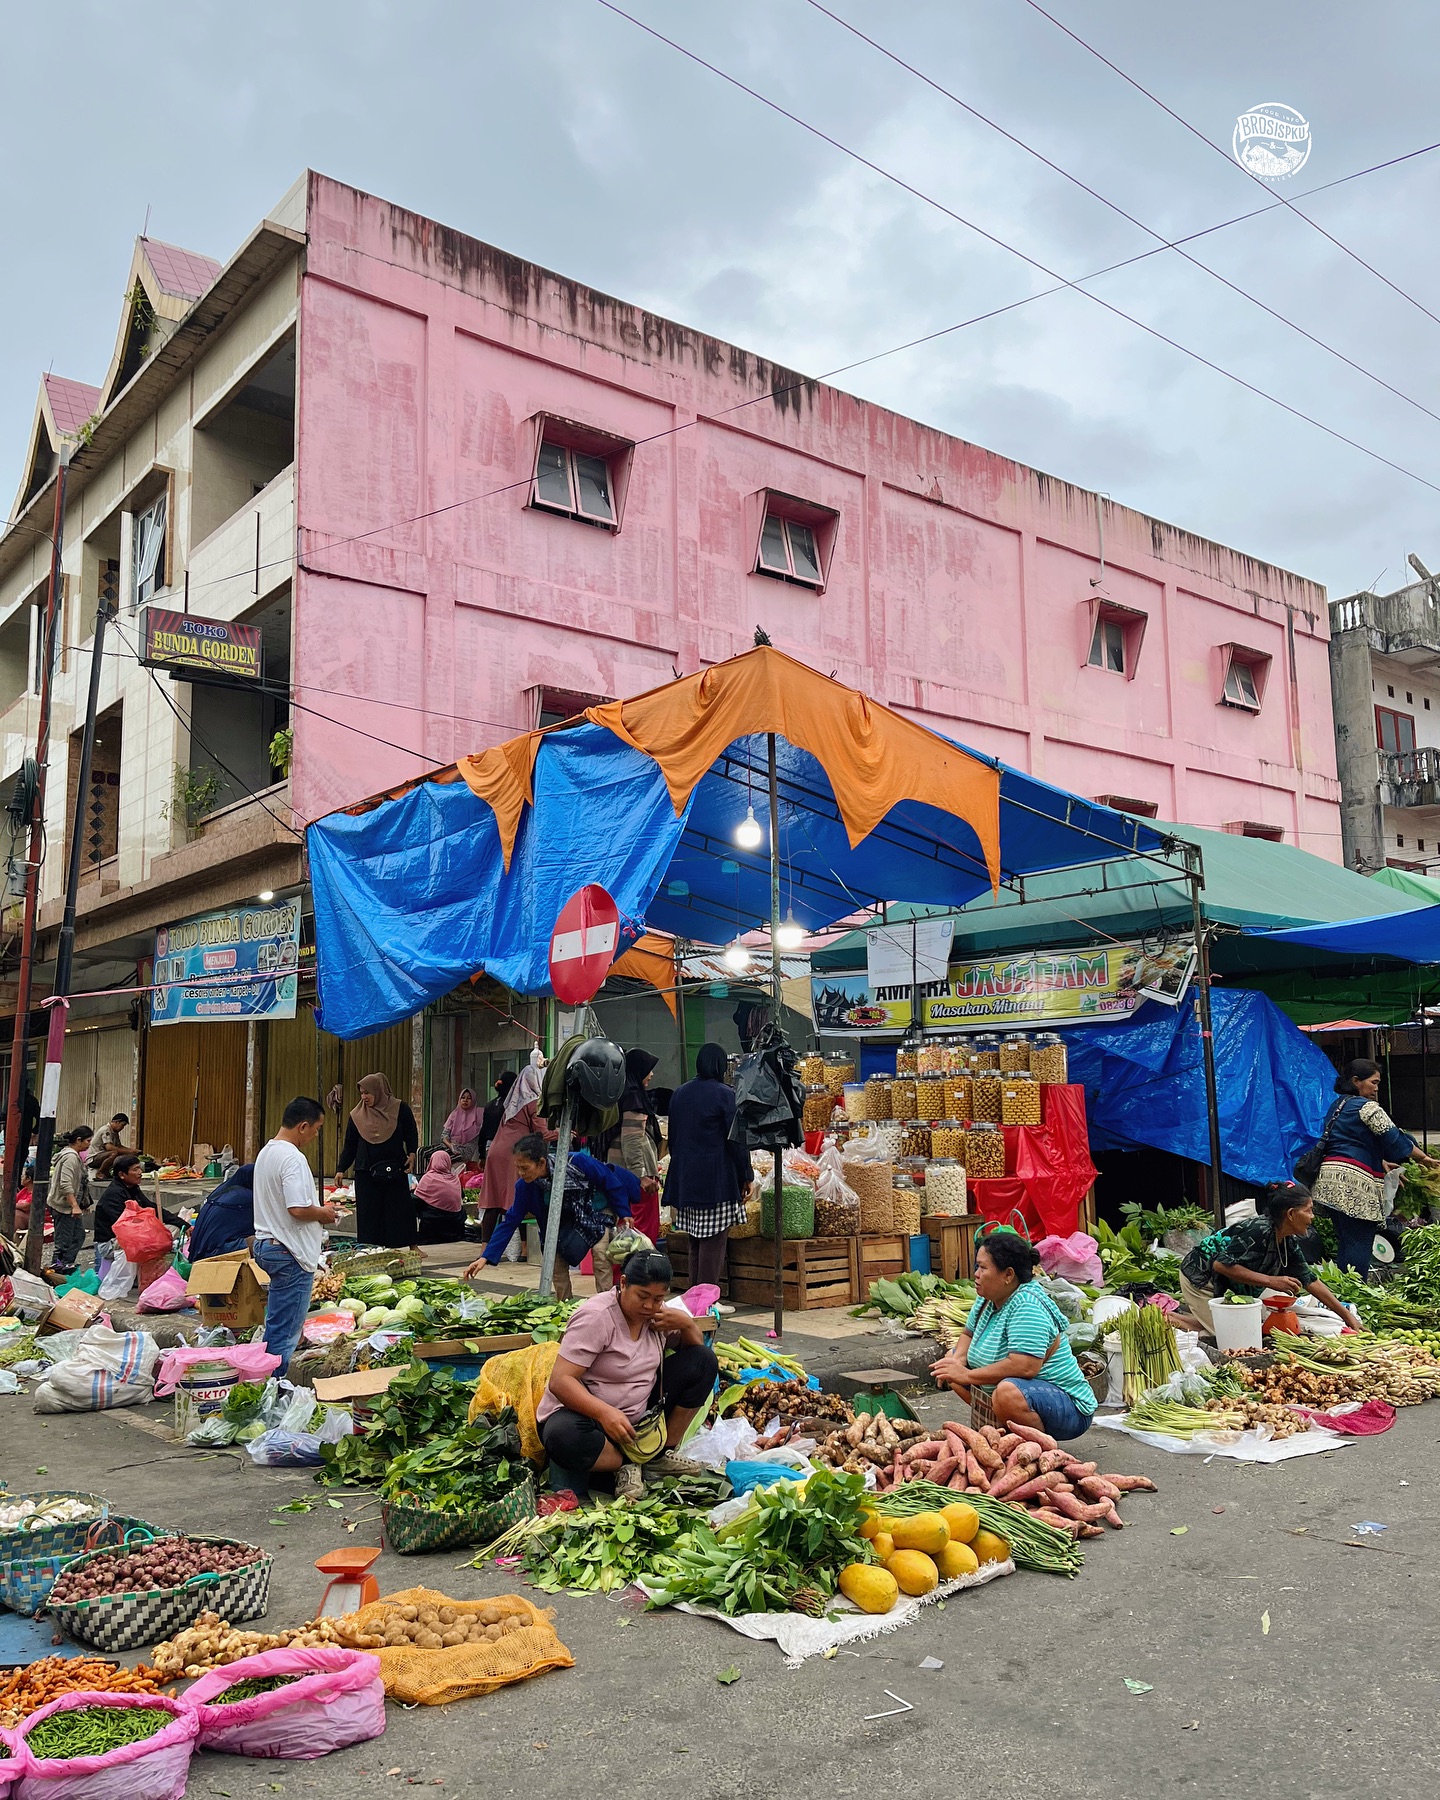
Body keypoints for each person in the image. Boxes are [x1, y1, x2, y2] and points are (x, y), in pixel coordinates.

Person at [537, 1247, 719, 1497]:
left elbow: (695, 1351)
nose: (649, 1306)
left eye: (657, 1298)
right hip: (591, 1419)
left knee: (704, 1360)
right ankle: (626, 1464)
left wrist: (687, 1324)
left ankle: (659, 1455)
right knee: (562, 1436)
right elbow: (560, 1381)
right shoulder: (597, 1317)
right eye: (642, 1296)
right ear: (623, 1283)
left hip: (640, 1420)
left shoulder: (658, 1315)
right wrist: (604, 1413)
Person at [930, 1231, 1097, 1441]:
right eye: (977, 1267)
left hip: (1067, 1405)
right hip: (1018, 1391)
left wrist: (966, 1376)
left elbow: (1025, 1367)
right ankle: (1003, 1429)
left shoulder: (1027, 1305)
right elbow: (968, 1333)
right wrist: (957, 1361)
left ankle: (1036, 1446)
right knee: (949, 1361)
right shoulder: (988, 1298)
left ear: (1008, 1275)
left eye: (983, 1268)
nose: (976, 1274)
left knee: (1007, 1393)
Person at [464, 1131, 638, 1301]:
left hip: (596, 1211)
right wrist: (485, 1257)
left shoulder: (577, 1162)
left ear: (541, 1163)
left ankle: (605, 1302)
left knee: (600, 1253)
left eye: (525, 1168)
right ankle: (564, 1304)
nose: (521, 1173)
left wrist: (624, 1212)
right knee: (554, 1262)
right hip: (563, 1222)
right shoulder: (525, 1187)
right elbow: (510, 1221)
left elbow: (611, 1181)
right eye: (518, 1168)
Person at [1179, 1180, 1361, 1335]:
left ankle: (1198, 1319)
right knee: (1229, 1335)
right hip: (1202, 1278)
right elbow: (1221, 1265)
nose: (1312, 1217)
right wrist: (1271, 1281)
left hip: (1226, 1284)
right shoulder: (1258, 1230)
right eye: (1309, 1210)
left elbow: (1310, 1280)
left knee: (1246, 1327)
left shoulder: (1287, 1241)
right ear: (1291, 1214)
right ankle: (1172, 1319)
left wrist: (1348, 1318)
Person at [1310, 1059, 1439, 1276]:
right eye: (1374, 1082)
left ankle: (1343, 1286)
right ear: (1356, 1081)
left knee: (1346, 1239)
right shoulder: (1367, 1107)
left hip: (1328, 1182)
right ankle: (1355, 1288)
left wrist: (1381, 1161)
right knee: (1360, 1240)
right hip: (1353, 1183)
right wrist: (1424, 1159)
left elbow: (1351, 1140)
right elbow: (1394, 1138)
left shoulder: (1338, 1105)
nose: (1377, 1089)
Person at [252, 1097, 335, 1372]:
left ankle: (265, 1380)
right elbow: (297, 1208)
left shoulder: (267, 1152)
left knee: (277, 1324)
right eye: (317, 1128)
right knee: (285, 1333)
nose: (316, 1135)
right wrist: (324, 1213)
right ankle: (273, 1387)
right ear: (302, 1126)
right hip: (289, 1251)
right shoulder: (292, 1157)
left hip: (269, 1244)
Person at [663, 1043, 755, 1291]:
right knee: (714, 1241)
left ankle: (695, 1297)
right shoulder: (725, 1095)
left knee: (696, 1240)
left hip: (685, 1177)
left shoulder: (679, 1093)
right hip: (716, 1180)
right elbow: (736, 1140)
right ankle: (706, 1299)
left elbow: (673, 1138)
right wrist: (746, 1175)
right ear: (721, 1066)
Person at [597, 1049, 663, 1289]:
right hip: (633, 1178)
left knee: (623, 1235)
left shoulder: (617, 1095)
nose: (651, 1075)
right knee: (637, 1236)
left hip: (617, 1173)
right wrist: (640, 1176)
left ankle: (623, 1285)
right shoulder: (634, 1097)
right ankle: (636, 1285)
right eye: (648, 1070)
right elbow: (632, 1140)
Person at [336, 1073, 419, 1251]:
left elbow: (411, 1133)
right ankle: (370, 1248)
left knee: (400, 1208)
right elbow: (350, 1144)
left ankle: (412, 1246)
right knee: (369, 1212)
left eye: (367, 1093)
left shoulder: (400, 1108)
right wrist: (341, 1168)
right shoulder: (356, 1115)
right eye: (361, 1093)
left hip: (394, 1168)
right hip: (366, 1170)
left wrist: (412, 1154)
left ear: (379, 1091)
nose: (364, 1097)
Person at [478, 1053, 546, 1253]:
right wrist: (565, 1132)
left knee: (493, 1201)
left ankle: (484, 1249)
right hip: (515, 1153)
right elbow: (542, 1132)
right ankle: (525, 1248)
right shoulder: (533, 1101)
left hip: (495, 1151)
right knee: (520, 1196)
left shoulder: (512, 1101)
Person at [93, 1153, 182, 1248]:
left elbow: (151, 1207)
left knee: (174, 1228)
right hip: (111, 1242)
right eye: (135, 1169)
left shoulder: (132, 1188)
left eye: (139, 1168)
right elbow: (124, 1225)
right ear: (122, 1175)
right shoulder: (114, 1194)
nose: (140, 1172)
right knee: (152, 1237)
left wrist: (181, 1223)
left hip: (134, 1232)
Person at [47, 1127, 94, 1275]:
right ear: (78, 1140)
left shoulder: (74, 1156)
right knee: (64, 1242)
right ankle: (57, 1271)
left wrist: (81, 1204)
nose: (89, 1144)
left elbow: (79, 1183)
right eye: (88, 1141)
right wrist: (74, 1205)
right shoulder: (70, 1158)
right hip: (63, 1206)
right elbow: (65, 1184)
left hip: (70, 1206)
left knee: (77, 1236)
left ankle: (65, 1267)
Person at [186, 1162, 256, 1261]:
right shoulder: (244, 1196)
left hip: (199, 1250)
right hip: (214, 1252)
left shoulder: (224, 1190)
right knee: (262, 1244)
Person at [415, 1149, 466, 1243]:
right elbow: (461, 1196)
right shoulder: (455, 1179)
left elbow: (417, 1198)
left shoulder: (428, 1178)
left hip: (433, 1224)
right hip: (454, 1227)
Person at [477, 1072, 516, 1165]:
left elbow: (483, 1131)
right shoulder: (512, 1106)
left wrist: (481, 1155)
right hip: (507, 1146)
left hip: (490, 1147)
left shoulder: (490, 1105)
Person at [442, 1088, 484, 1164]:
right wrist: (450, 1145)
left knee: (442, 1159)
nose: (465, 1100)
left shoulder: (479, 1114)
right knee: (423, 1152)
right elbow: (444, 1135)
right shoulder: (454, 1114)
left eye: (469, 1098)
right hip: (450, 1147)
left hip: (466, 1150)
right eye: (463, 1097)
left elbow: (477, 1139)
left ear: (473, 1100)